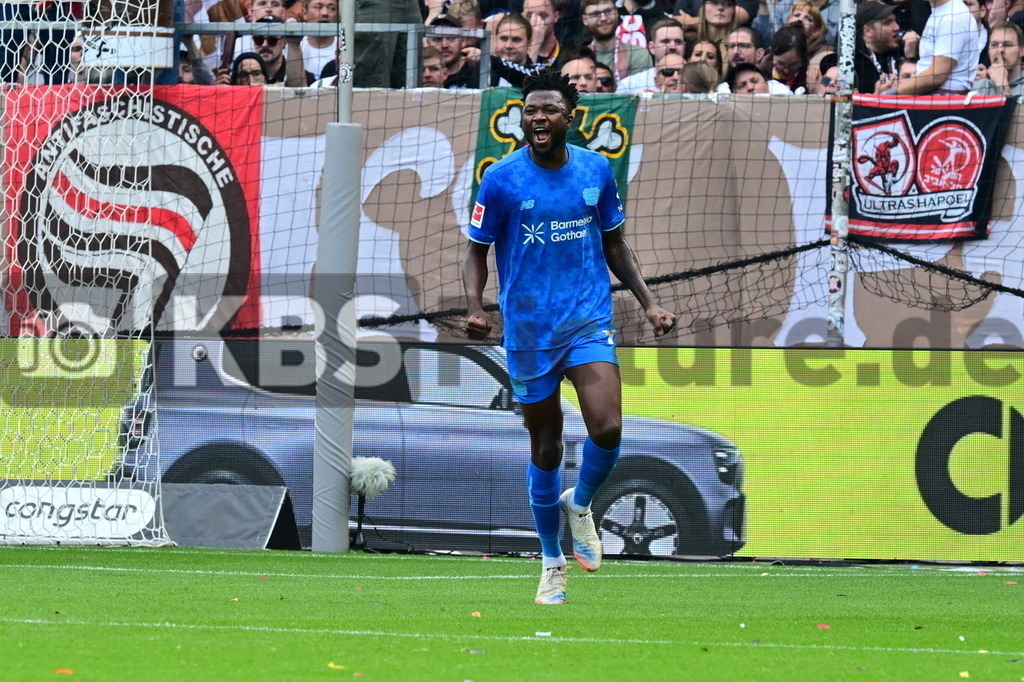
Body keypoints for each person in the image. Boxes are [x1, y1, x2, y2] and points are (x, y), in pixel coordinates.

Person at [462, 68, 676, 605]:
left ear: (569, 117)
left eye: (549, 110)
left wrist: (649, 304)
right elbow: (475, 250)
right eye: (530, 110)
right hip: (530, 329)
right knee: (547, 444)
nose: (538, 118)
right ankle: (551, 561)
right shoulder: (501, 178)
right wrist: (474, 308)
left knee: (607, 428)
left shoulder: (597, 170)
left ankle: (580, 505)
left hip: (587, 316)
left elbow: (616, 246)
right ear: (521, 118)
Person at [892, 0, 982, 93]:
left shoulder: (952, 16)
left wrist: (894, 92)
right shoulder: (940, 12)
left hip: (945, 98)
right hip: (934, 96)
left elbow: (937, 76)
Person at [580, 0, 652, 81]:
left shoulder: (639, 54)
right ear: (585, 20)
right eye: (596, 14)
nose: (603, 18)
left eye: (608, 11)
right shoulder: (578, 59)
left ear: (616, 12)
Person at [618, 18, 687, 93]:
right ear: (652, 47)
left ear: (684, 47)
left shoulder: (698, 81)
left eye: (678, 42)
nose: (672, 47)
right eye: (665, 41)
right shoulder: (629, 86)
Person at [855, 0, 910, 94]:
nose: (897, 27)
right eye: (888, 22)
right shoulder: (853, 62)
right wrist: (877, 97)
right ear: (868, 31)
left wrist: (911, 57)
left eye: (895, 20)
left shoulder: (906, 48)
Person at [973, 20, 1024, 93]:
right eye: (994, 45)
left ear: (1021, 51)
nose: (1000, 50)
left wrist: (1002, 84)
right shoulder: (980, 86)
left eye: (1007, 45)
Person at [300, 0, 339, 81]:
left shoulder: (345, 47)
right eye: (318, 7)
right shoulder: (294, 45)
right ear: (305, 13)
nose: (325, 13)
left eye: (332, 8)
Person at [524, 0, 564, 66]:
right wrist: (535, 44)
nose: (535, 21)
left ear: (556, 16)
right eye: (530, 16)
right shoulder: (513, 53)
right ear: (522, 16)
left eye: (543, 15)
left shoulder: (566, 54)